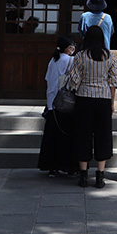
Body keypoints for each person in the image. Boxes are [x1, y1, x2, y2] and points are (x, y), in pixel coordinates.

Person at [67, 25, 117, 188]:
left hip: (84, 98)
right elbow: (114, 80)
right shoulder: (109, 56)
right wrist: (112, 102)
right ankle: (100, 175)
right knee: (102, 135)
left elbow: (74, 80)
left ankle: (83, 175)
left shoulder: (80, 56)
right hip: (103, 99)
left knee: (83, 134)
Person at [37, 36, 76, 176]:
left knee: (52, 137)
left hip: (51, 102)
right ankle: (68, 166)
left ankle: (51, 167)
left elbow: (47, 78)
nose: (73, 47)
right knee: (66, 137)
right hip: (65, 104)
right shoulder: (71, 60)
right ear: (67, 47)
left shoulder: (53, 60)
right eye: (72, 45)